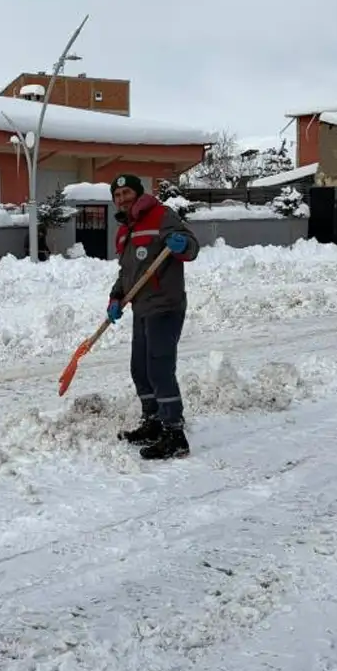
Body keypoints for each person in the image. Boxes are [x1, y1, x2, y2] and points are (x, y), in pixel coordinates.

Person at [105, 174, 200, 460]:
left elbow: (192, 246)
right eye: (117, 194)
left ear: (137, 193)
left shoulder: (161, 215)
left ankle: (174, 433)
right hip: (141, 307)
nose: (122, 198)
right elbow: (127, 272)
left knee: (159, 369)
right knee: (140, 369)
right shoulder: (124, 231)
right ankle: (154, 421)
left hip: (166, 305)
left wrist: (182, 244)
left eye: (126, 192)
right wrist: (116, 296)